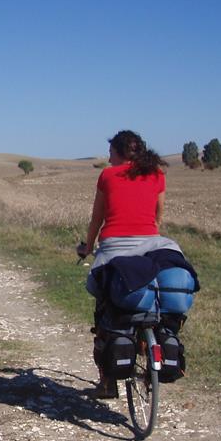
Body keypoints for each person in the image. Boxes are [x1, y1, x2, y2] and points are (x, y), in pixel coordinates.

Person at [77, 130, 183, 397]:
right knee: (157, 293)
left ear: (119, 152)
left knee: (103, 301)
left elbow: (96, 219)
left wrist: (87, 248)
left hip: (114, 247)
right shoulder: (157, 174)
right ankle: (159, 342)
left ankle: (107, 382)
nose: (109, 158)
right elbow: (158, 216)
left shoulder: (108, 175)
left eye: (111, 152)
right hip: (153, 244)